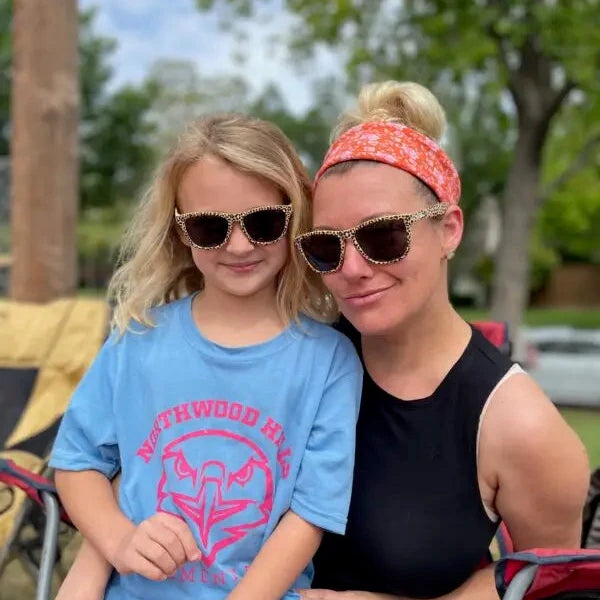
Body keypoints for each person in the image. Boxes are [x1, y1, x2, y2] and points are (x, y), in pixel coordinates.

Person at [294, 81, 590, 600]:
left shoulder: (521, 428)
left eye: (383, 236)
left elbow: (541, 590)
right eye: (326, 247)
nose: (352, 269)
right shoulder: (294, 362)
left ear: (450, 230)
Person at [49, 113, 362, 600]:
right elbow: (76, 460)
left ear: (294, 215)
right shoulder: (138, 339)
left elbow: (311, 514)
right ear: (180, 230)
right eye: (209, 226)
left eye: (263, 222)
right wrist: (120, 540)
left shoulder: (330, 362)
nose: (238, 245)